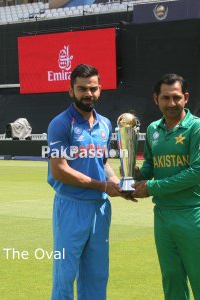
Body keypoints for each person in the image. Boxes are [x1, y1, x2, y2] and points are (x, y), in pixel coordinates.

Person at [47, 64, 133, 300]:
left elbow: (103, 163)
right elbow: (60, 170)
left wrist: (117, 183)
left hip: (100, 208)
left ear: (100, 89)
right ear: (70, 90)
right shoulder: (61, 124)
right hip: (71, 207)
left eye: (93, 88)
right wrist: (103, 186)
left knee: (96, 275)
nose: (88, 94)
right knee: (64, 276)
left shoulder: (105, 124)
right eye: (82, 89)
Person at [132, 73, 200, 300]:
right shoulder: (153, 129)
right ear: (156, 99)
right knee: (171, 278)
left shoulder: (198, 128)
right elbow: (151, 165)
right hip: (163, 215)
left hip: (193, 214)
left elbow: (197, 172)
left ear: (186, 98)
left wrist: (151, 187)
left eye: (176, 97)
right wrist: (135, 175)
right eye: (165, 98)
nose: (171, 103)